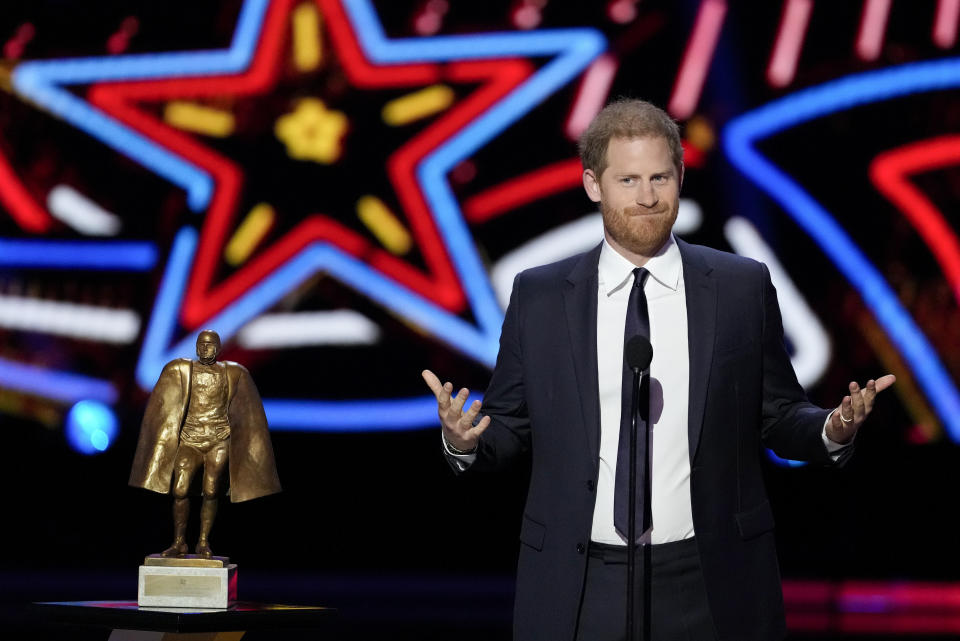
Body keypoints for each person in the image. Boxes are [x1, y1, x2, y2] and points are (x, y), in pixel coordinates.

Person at [422, 99, 894, 641]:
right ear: (592, 184)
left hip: (709, 579)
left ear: (680, 176)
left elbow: (779, 414)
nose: (647, 197)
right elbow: (509, 427)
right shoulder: (541, 296)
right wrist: (465, 439)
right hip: (581, 581)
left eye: (659, 177)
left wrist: (832, 428)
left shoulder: (739, 287)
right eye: (628, 180)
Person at [129, 329, 281, 558]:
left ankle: (202, 541)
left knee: (211, 490)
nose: (205, 348)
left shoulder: (232, 373)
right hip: (190, 441)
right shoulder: (183, 370)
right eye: (201, 344)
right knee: (180, 490)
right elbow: (162, 406)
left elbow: (247, 412)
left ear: (218, 348)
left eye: (210, 345)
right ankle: (179, 541)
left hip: (218, 441)